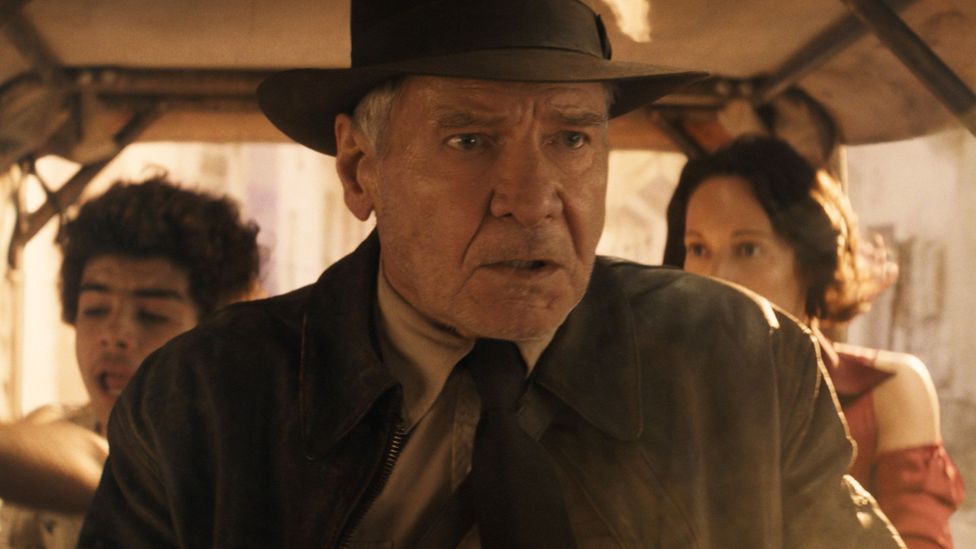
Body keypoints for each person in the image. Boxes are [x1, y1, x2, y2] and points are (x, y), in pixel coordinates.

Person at [80, 1, 904, 547]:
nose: (532, 198)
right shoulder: (203, 404)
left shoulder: (744, 364)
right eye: (469, 140)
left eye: (571, 138)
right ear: (361, 169)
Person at [663, 135, 964, 549]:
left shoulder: (887, 390)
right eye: (697, 248)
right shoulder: (660, 394)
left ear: (809, 263)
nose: (716, 277)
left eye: (748, 249)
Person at [0, 176, 261, 548]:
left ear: (213, 336)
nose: (114, 334)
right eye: (95, 309)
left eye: (152, 315)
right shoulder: (47, 431)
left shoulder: (242, 459)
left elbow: (111, 466)